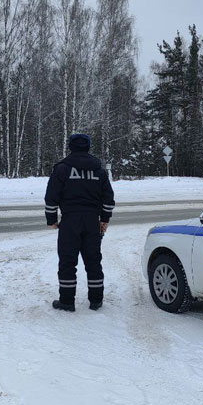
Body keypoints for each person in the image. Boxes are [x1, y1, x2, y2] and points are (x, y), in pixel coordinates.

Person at [45, 133, 115, 312]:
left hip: (70, 222)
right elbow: (108, 198)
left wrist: (52, 220)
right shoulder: (99, 170)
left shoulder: (62, 169)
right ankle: (96, 300)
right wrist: (104, 220)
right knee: (93, 261)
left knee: (68, 262)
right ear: (88, 147)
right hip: (92, 221)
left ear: (71, 147)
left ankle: (67, 302)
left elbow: (52, 197)